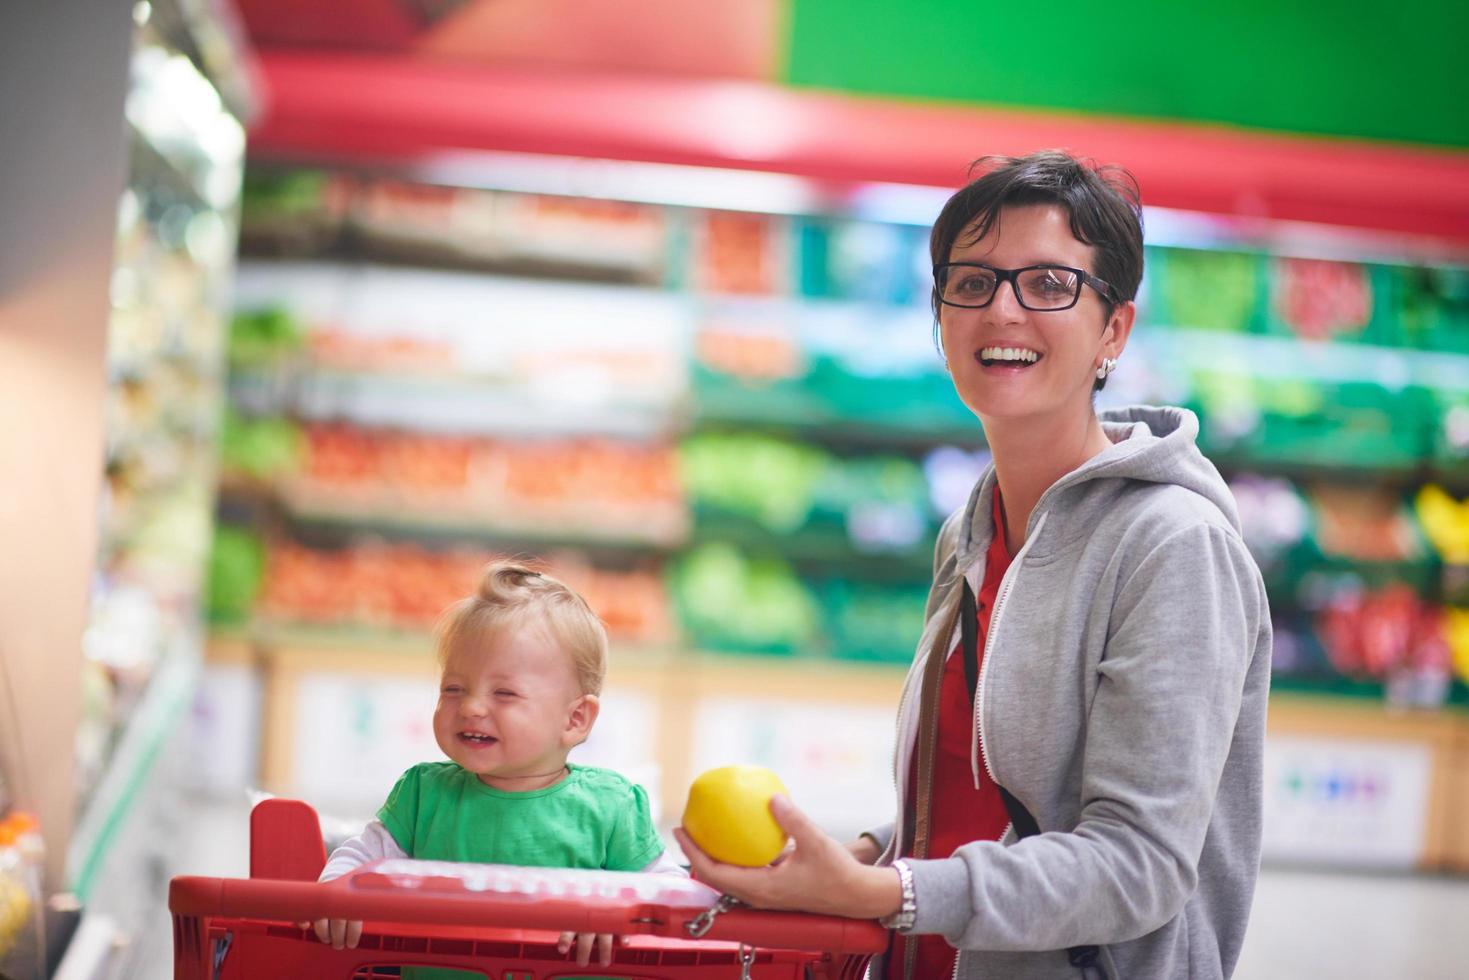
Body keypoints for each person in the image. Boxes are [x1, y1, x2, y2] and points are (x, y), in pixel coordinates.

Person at [674, 150, 1272, 979]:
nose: (1003, 310)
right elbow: (973, 804)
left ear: (1113, 329)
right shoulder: (971, 530)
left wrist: (886, 893)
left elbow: (1138, 866)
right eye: (972, 281)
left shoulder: (1174, 548)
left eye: (1049, 285)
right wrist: (858, 856)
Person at [307, 561, 684, 970]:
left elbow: (672, 892)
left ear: (574, 720)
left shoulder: (612, 808)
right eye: (453, 688)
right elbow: (359, 859)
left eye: (504, 693)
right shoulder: (423, 796)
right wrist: (339, 894)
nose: (470, 706)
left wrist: (622, 912)